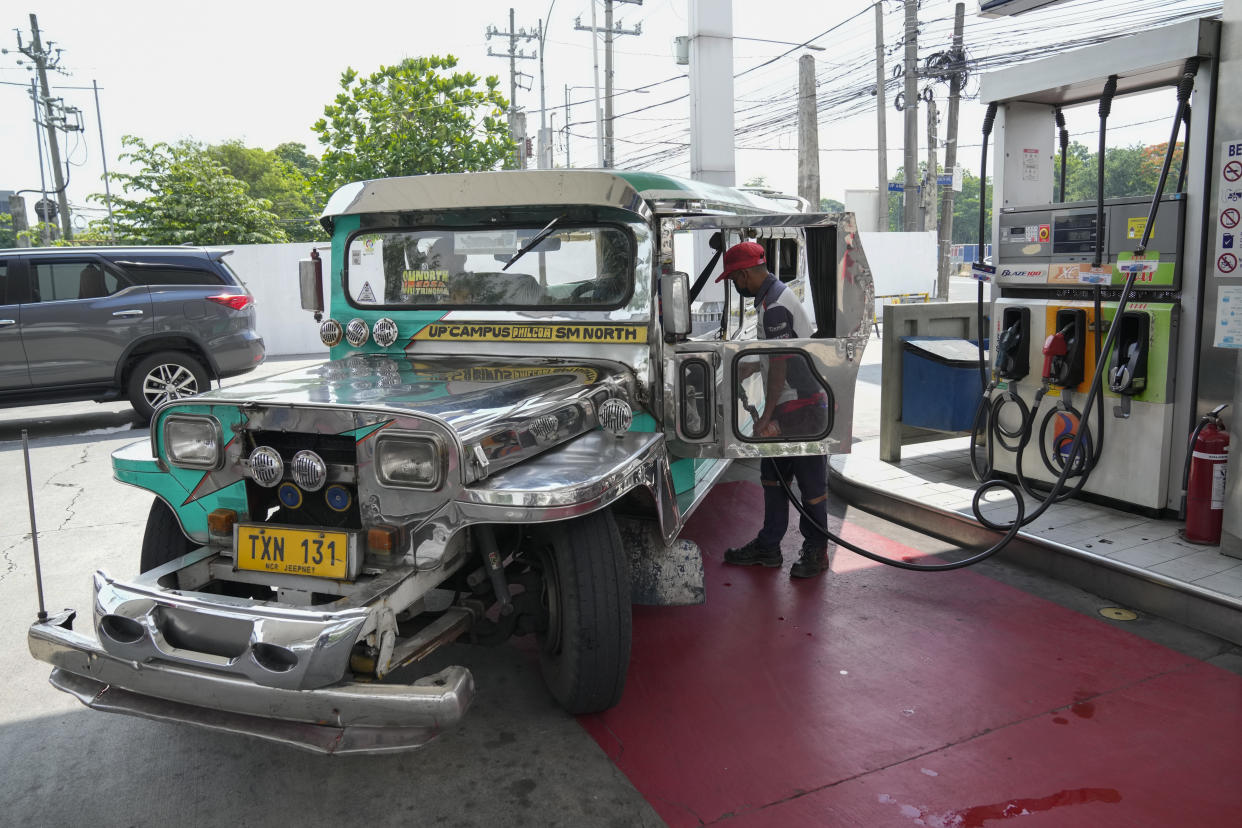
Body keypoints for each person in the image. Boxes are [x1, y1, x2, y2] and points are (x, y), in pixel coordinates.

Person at [717, 240, 832, 579]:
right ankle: (769, 545)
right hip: (791, 405)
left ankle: (816, 551)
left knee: (811, 486)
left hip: (802, 409)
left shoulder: (775, 305)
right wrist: (749, 367)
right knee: (773, 478)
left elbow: (782, 366)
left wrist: (766, 418)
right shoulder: (772, 297)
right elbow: (774, 356)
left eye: (736, 279)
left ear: (748, 272)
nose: (736, 286)